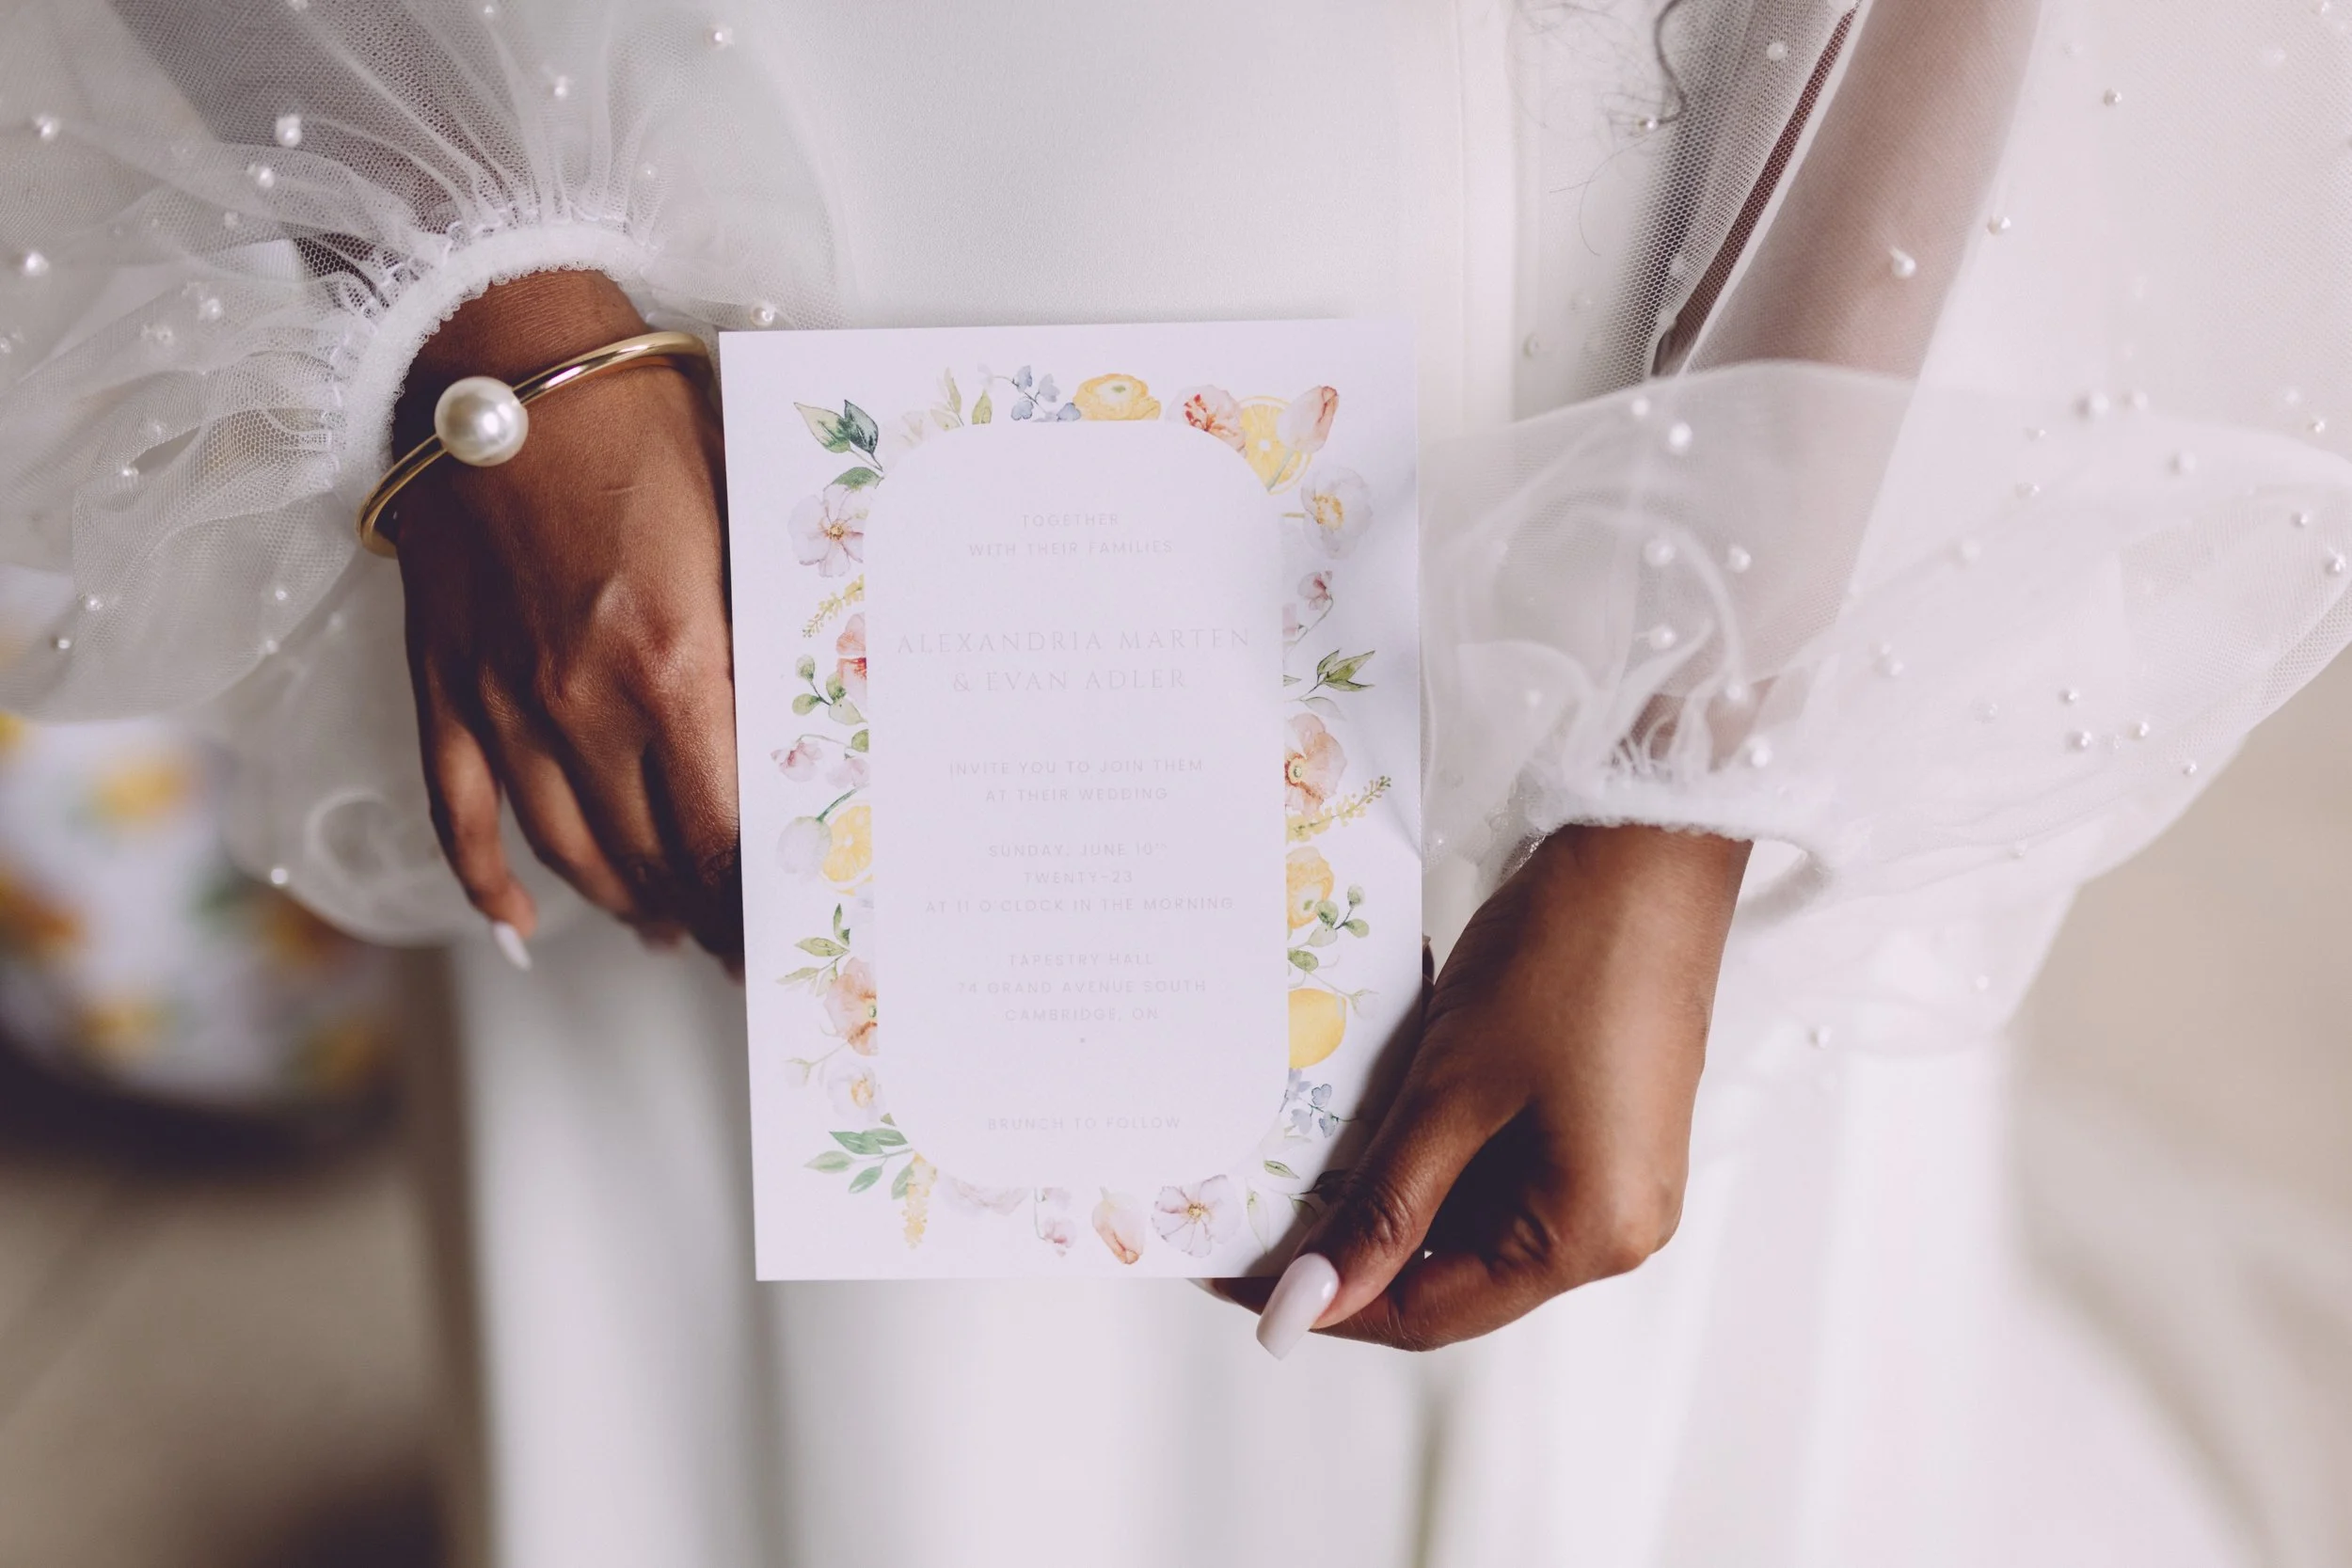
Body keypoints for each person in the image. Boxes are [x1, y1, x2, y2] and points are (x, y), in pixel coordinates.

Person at [0, 0, 2340, 1562]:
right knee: (828, 1335)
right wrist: (490, 313)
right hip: (683, 288)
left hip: (1603, 331)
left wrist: (1682, 771)